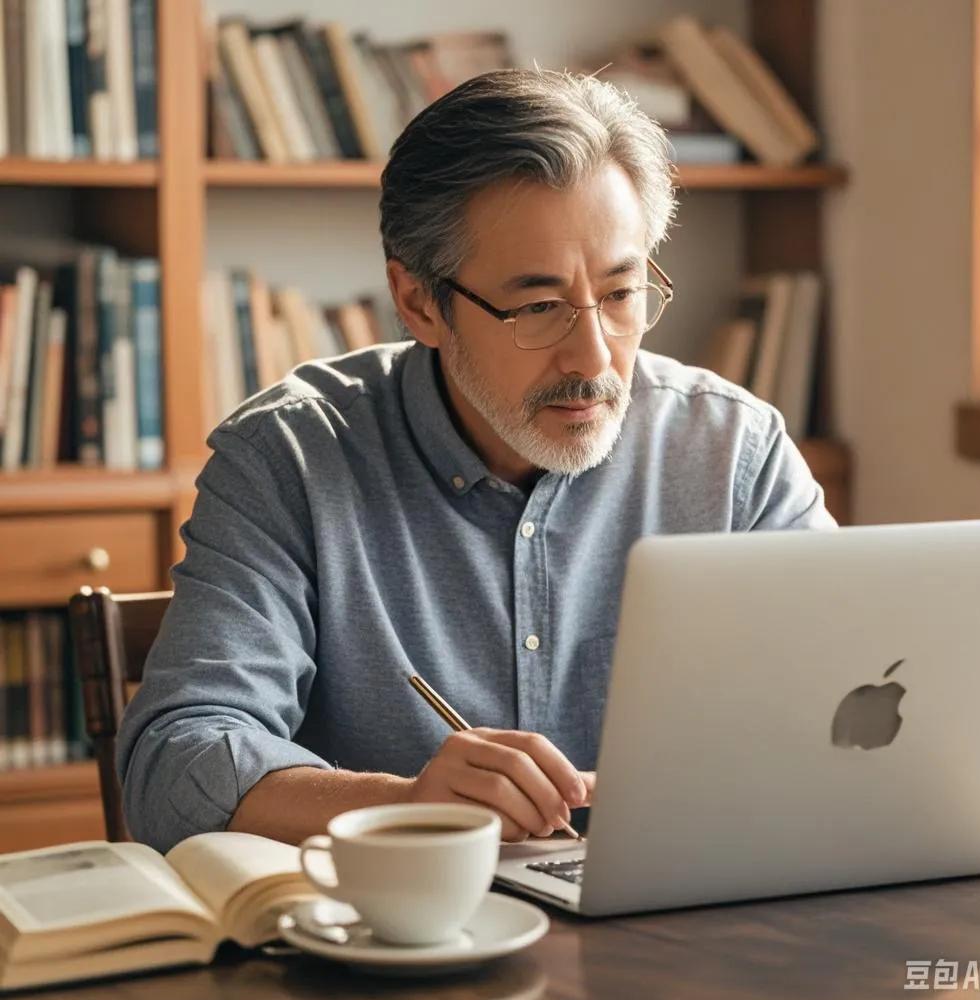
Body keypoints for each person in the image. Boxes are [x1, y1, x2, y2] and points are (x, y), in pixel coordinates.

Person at [117, 69, 836, 854]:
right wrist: (409, 805)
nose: (593, 356)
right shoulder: (289, 458)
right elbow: (173, 762)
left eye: (623, 294)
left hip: (685, 925)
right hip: (402, 945)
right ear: (420, 301)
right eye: (536, 306)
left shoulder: (734, 451)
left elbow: (847, 706)